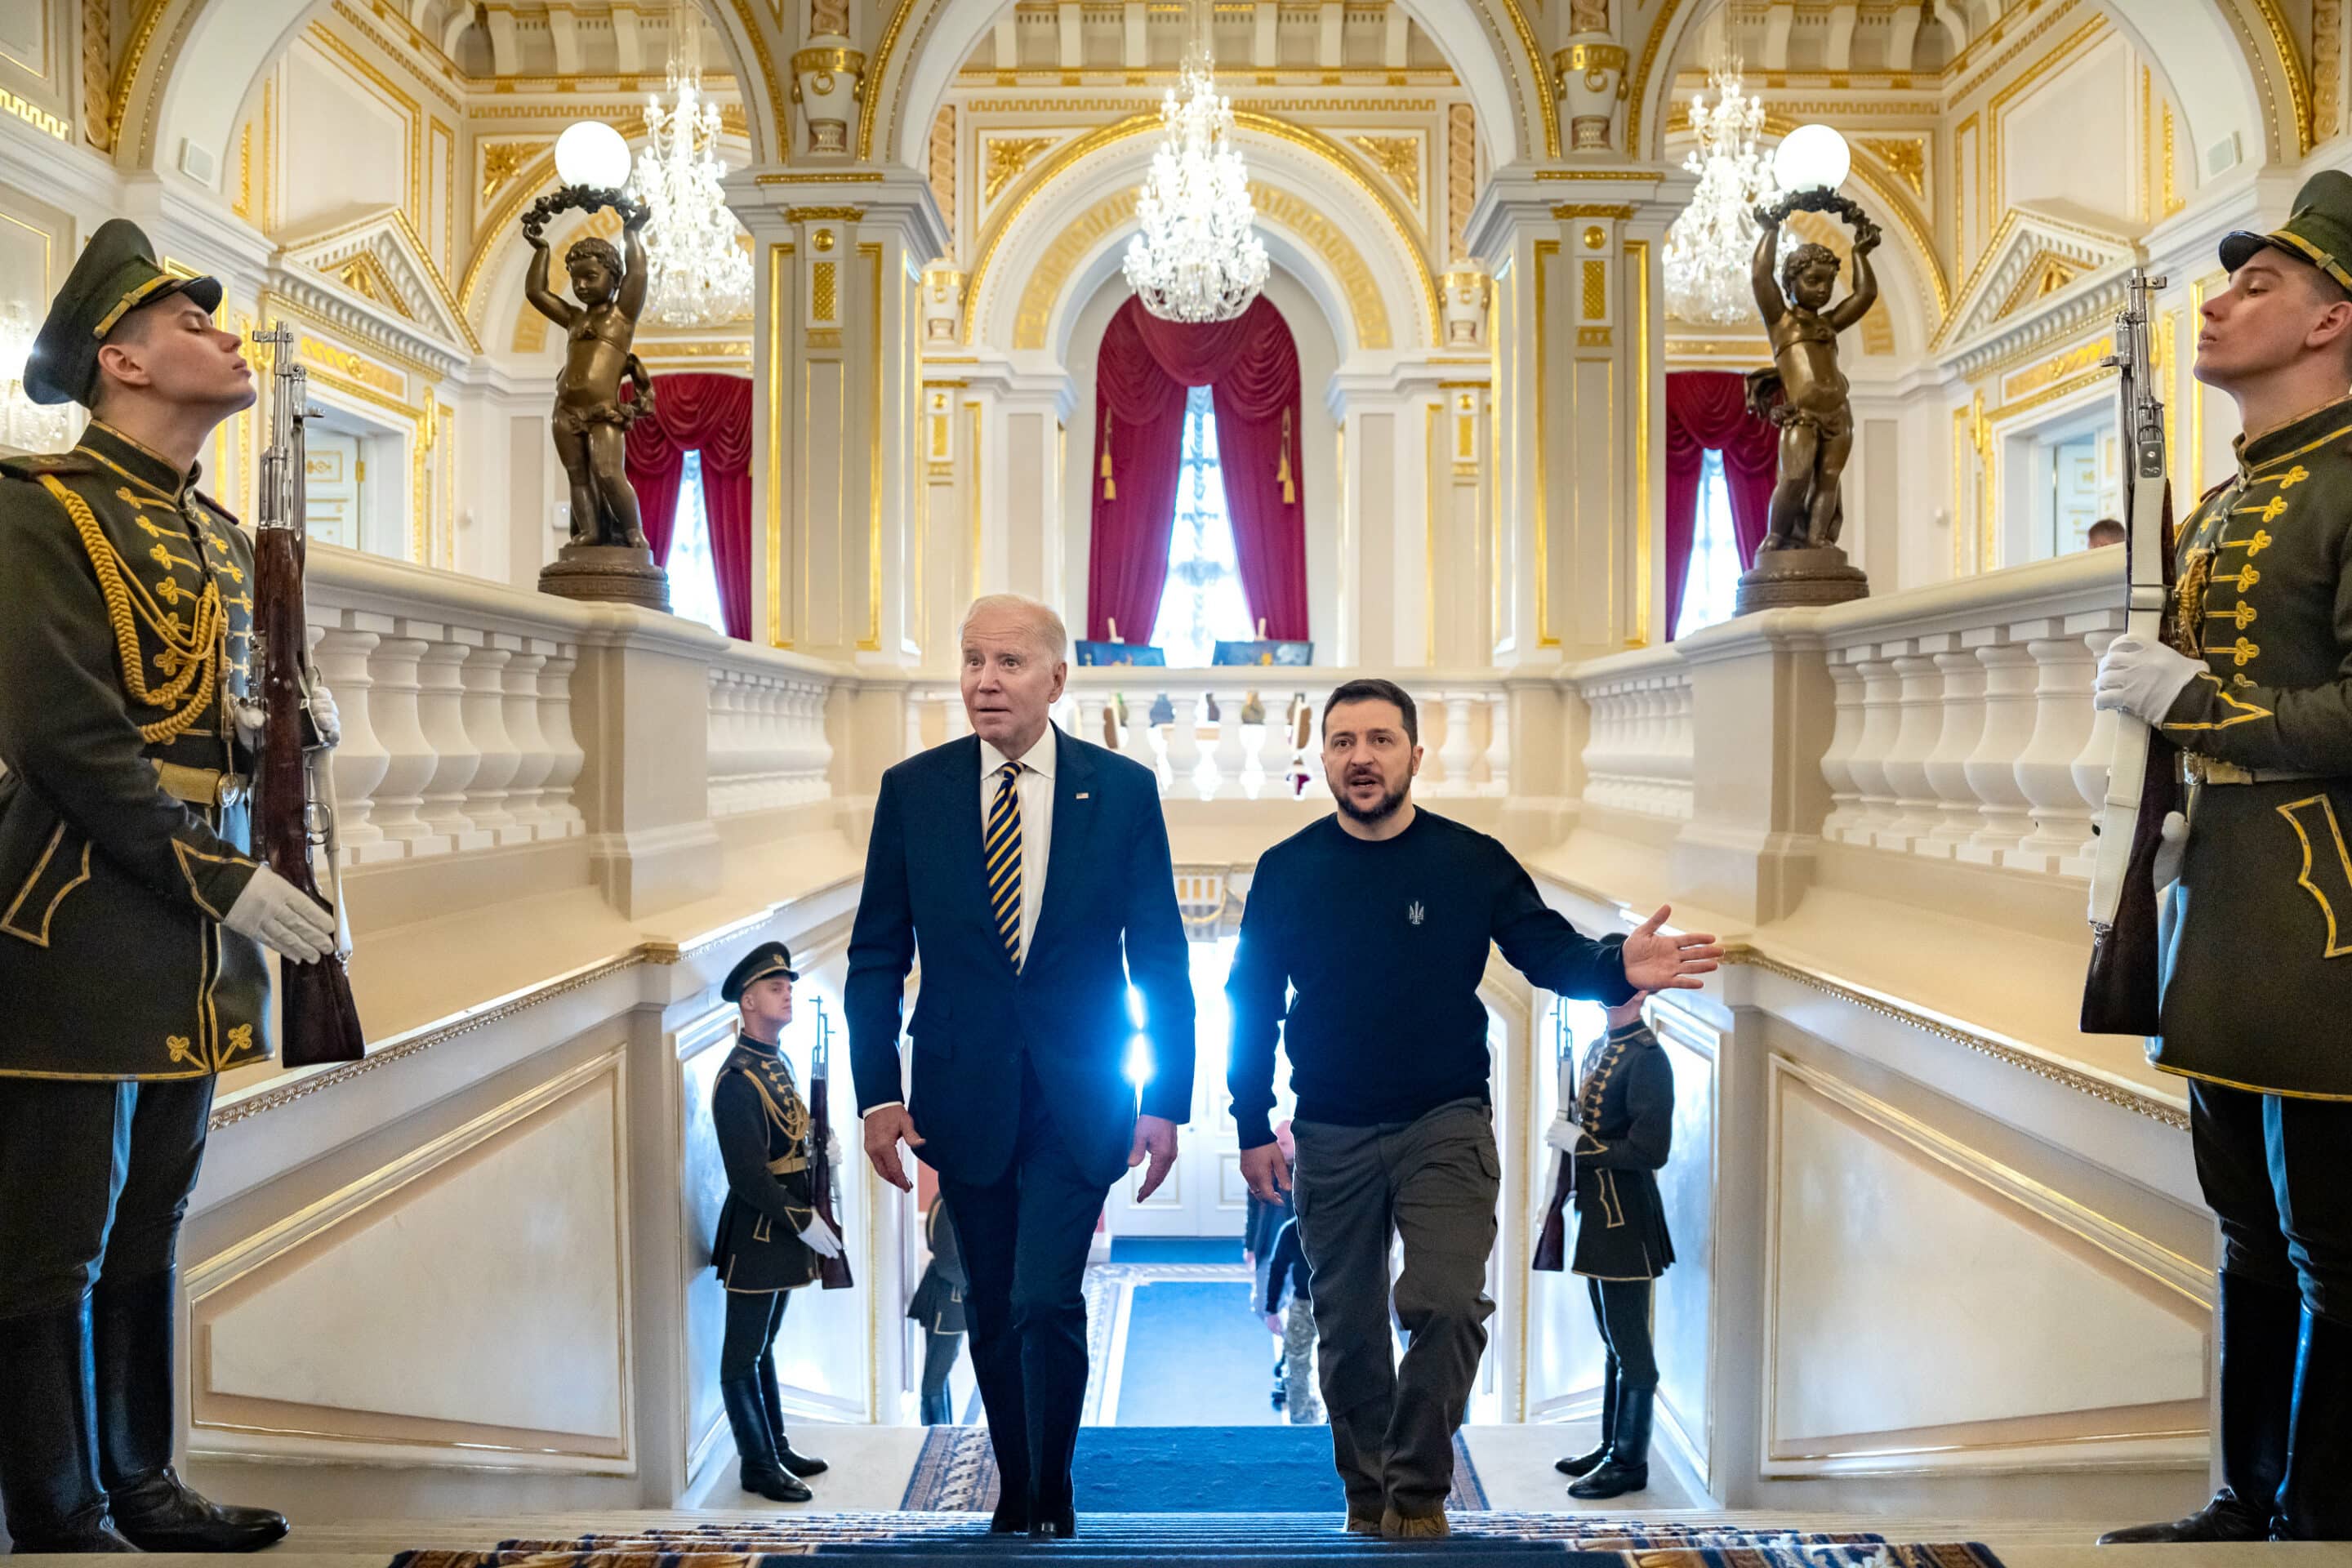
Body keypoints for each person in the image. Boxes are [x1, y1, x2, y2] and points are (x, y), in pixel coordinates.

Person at [0, 220, 347, 1554]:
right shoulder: (43, 513)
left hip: (191, 942)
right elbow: (66, 741)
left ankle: (141, 1483)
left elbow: (213, 717)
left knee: (152, 1223)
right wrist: (223, 880)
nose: (223, 333)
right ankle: (59, 1510)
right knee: (53, 1248)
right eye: (188, 322)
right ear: (123, 359)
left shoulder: (211, 531)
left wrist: (287, 735)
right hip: (75, 918)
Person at [1228, 679, 1722, 1539]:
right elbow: (1253, 1001)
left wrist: (1618, 969)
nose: (1361, 757)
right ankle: (1367, 1492)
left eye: (1381, 740)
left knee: (1448, 1305)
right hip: (1331, 1129)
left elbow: (1547, 949)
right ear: (1324, 759)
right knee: (1346, 1330)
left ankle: (1417, 1492)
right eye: (1343, 742)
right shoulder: (1288, 871)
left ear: (1416, 756)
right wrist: (1247, 1122)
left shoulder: (1470, 860)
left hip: (1444, 1121)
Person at [2091, 169, 2352, 1545]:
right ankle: (2245, 1499)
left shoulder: (2347, 491)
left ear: (2332, 322)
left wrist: (2190, 703)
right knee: (2249, 1237)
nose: (2223, 299)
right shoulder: (2236, 499)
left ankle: (2323, 1519)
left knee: (2336, 1255)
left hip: (2328, 922)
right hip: (2223, 916)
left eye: (2260, 283)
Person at [848, 594, 1196, 1540]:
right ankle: (1019, 1483)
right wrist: (878, 1093)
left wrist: (1166, 1100)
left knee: (1048, 1296)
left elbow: (1159, 957)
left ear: (1055, 679)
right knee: (992, 1305)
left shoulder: (1120, 791)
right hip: (961, 1100)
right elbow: (876, 956)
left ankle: (1057, 1484)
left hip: (1082, 1099)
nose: (983, 682)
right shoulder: (912, 791)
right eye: (970, 661)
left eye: (1006, 663)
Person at [709, 941, 840, 1504]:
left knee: (766, 1345)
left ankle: (776, 1447)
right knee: (741, 1356)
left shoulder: (777, 1060)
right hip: (762, 1232)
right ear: (747, 1001)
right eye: (774, 987)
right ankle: (756, 1464)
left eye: (788, 985)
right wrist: (803, 1219)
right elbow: (747, 1177)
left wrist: (821, 1143)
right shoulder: (738, 1078)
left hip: (786, 1231)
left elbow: (792, 1125)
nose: (787, 993)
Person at [1548, 993, 1674, 1500]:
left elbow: (1651, 1150)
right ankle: (1609, 1447)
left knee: (1633, 1350)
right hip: (1598, 1216)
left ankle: (1629, 1463)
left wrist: (1581, 1145)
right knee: (1612, 1340)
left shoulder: (1647, 1057)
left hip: (1628, 1221)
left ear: (1641, 991)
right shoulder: (1603, 1043)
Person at [908, 1196, 969, 1426]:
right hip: (947, 1301)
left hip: (947, 1299)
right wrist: (980, 1288)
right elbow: (948, 1264)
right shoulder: (949, 1203)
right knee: (934, 1380)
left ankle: (945, 1431)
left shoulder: (948, 1198)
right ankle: (935, 1436)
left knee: (938, 1377)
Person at [1263, 1210, 1320, 1425]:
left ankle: (1306, 1423)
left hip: (1331, 1304)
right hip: (1314, 1303)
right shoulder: (1292, 1230)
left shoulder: (1292, 1228)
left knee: (1300, 1365)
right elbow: (1277, 1269)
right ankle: (1304, 1421)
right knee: (1298, 1366)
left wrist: (1271, 1310)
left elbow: (1277, 1269)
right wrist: (1271, 1309)